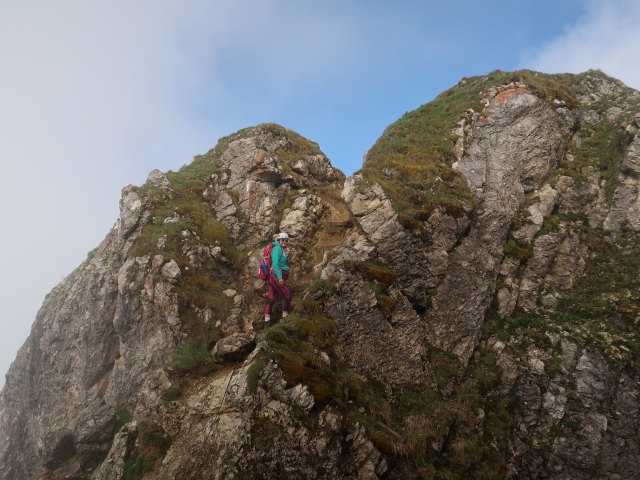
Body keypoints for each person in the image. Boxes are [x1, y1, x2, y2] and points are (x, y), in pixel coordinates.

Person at [264, 232, 293, 326]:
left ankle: (267, 322)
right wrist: (280, 278)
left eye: (286, 240)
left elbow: (282, 262)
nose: (285, 241)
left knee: (271, 298)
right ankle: (285, 318)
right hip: (276, 276)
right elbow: (275, 264)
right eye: (283, 240)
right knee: (288, 295)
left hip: (274, 277)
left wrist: (287, 253)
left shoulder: (282, 249)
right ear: (279, 240)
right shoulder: (277, 248)